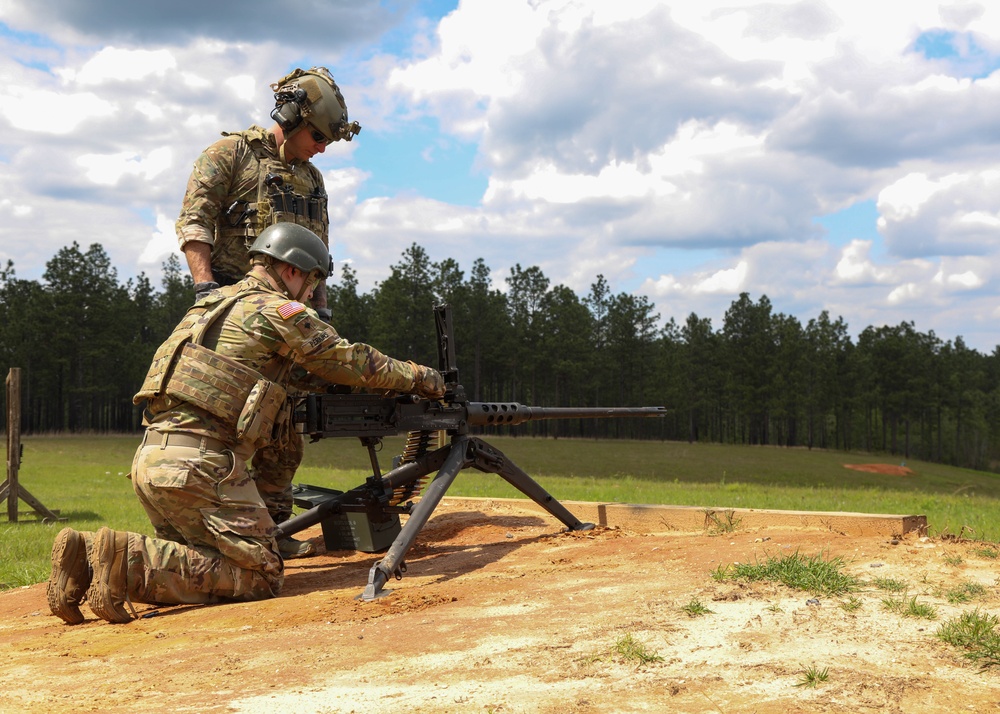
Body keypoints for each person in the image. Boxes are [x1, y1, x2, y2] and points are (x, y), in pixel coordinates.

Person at [46, 224, 444, 625]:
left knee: (204, 566)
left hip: (153, 460)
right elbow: (343, 359)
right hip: (201, 468)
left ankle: (85, 556)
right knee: (259, 576)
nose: (311, 294)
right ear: (292, 270)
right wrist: (417, 377)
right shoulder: (277, 309)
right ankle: (124, 560)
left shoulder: (212, 305)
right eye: (313, 281)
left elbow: (287, 375)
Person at [175, 66, 360, 558]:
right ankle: (199, 530)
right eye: (317, 135)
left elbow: (319, 254)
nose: (321, 147)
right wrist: (206, 289)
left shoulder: (313, 179)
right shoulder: (229, 155)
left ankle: (271, 534)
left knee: (284, 431)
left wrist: (320, 316)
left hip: (290, 323)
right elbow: (196, 222)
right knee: (225, 428)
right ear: (290, 115)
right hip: (236, 313)